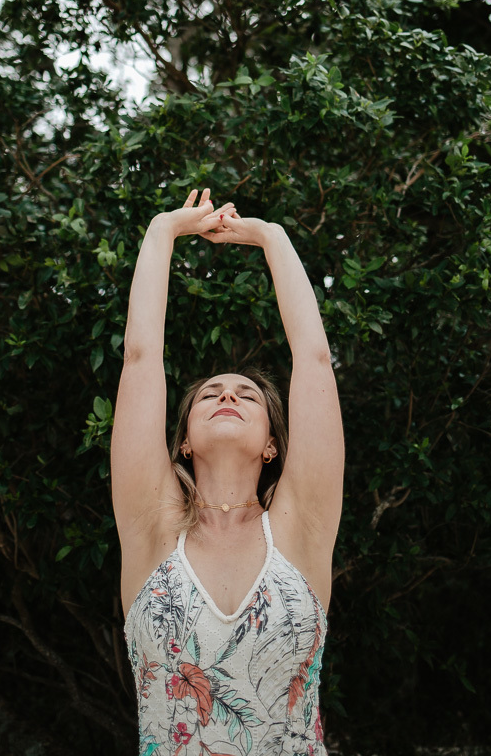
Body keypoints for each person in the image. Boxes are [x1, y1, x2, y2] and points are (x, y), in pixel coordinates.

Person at [111, 187, 345, 755]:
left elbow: (313, 358)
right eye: (210, 393)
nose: (227, 395)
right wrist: (163, 228)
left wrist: (272, 236)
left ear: (271, 445)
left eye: (247, 395)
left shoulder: (300, 528)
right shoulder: (152, 531)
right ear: (184, 441)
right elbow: (141, 359)